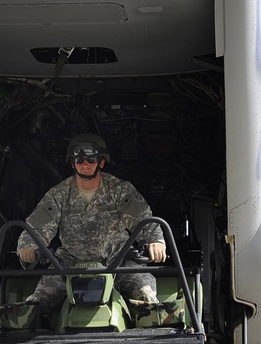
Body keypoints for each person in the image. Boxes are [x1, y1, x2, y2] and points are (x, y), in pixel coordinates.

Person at [16, 133, 166, 316]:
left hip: (117, 263)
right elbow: (37, 227)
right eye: (79, 160)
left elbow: (143, 219)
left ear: (101, 163)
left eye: (91, 159)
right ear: (73, 163)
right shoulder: (59, 194)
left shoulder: (119, 189)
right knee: (36, 303)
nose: (85, 164)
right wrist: (28, 246)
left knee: (146, 296)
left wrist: (155, 241)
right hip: (69, 267)